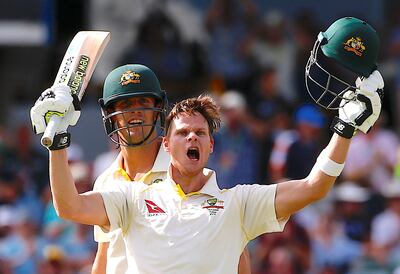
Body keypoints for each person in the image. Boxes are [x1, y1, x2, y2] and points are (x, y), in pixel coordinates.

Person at [30, 17, 384, 273]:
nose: (192, 138)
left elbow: (314, 186)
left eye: (199, 133)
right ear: (167, 144)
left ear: (212, 145)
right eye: (183, 133)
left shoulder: (235, 203)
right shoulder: (129, 196)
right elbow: (71, 210)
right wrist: (58, 142)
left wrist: (344, 128)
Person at [30, 64, 251, 274]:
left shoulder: (184, 172)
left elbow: (234, 245)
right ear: (109, 114)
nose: (135, 113)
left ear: (158, 110)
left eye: (143, 103)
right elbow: (106, 255)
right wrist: (57, 143)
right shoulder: (107, 180)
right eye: (125, 105)